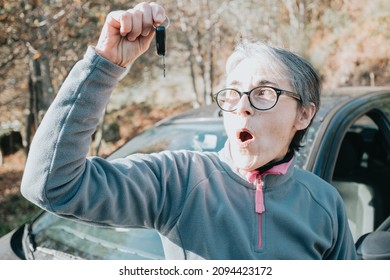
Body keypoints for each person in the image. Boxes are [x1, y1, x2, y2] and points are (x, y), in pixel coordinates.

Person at [21, 2, 357, 260]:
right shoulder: (178, 180)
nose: (242, 106)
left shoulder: (324, 203)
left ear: (303, 115)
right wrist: (105, 65)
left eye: (265, 92)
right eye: (233, 92)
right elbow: (51, 185)